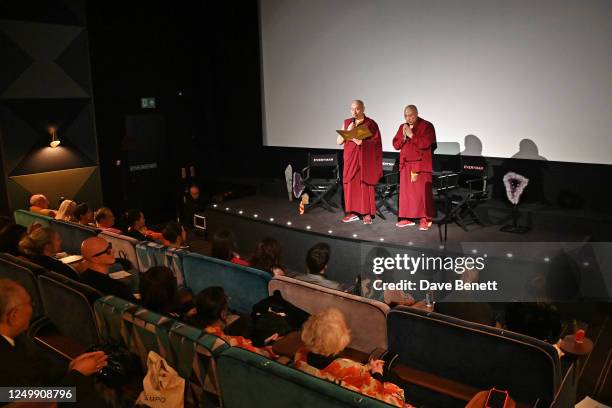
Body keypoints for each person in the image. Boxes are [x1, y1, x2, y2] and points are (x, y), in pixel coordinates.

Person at [0, 279, 108, 402]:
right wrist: (78, 373)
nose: (32, 308)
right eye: (30, 303)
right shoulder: (7, 366)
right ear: (14, 315)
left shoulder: (11, 342)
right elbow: (43, 402)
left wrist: (72, 368)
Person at [295, 309, 407, 407]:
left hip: (323, 390)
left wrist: (367, 367)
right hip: (363, 398)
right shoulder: (349, 368)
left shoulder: (300, 354)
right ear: (340, 339)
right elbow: (373, 393)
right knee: (392, 377)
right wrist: (377, 373)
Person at [192, 286, 277, 358]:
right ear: (222, 314)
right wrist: (276, 347)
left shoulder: (191, 335)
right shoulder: (232, 343)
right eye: (227, 308)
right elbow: (262, 356)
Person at [337, 100, 382, 225]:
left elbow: (376, 144)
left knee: (364, 184)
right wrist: (347, 131)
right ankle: (352, 212)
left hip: (364, 159)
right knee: (350, 185)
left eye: (357, 109)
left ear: (363, 109)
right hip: (350, 158)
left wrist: (361, 142)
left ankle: (366, 213)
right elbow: (339, 141)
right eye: (352, 109)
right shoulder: (347, 122)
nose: (354, 112)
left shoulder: (371, 124)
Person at [392, 105, 436, 231]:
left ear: (417, 114)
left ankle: (424, 218)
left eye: (410, 115)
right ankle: (407, 217)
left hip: (420, 164)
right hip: (406, 164)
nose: (408, 118)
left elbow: (426, 143)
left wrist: (412, 135)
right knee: (407, 194)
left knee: (421, 193)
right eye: (405, 115)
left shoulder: (427, 126)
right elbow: (396, 144)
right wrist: (403, 137)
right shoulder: (403, 127)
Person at [80, 237, 136, 302]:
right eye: (108, 251)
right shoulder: (117, 288)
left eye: (110, 246)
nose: (113, 251)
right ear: (95, 259)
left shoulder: (82, 276)